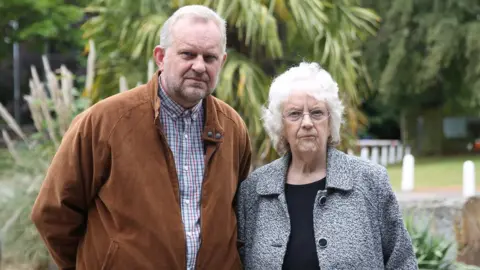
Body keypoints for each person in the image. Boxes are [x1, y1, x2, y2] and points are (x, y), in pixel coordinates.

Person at [31, 5, 252, 270]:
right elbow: (53, 213)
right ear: (160, 56)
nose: (199, 66)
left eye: (210, 57)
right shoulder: (106, 121)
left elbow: (240, 215)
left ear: (222, 62)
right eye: (188, 54)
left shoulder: (232, 128)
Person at [236, 62, 417, 270]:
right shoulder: (254, 191)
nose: (306, 123)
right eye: (294, 114)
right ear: (281, 126)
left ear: (331, 123)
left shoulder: (370, 181)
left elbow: (402, 262)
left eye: (316, 113)